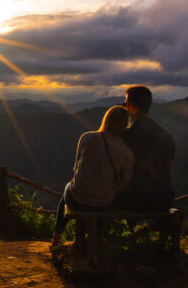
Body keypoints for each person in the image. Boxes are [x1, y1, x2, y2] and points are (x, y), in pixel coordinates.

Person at [51, 105, 134, 247]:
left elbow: (76, 168)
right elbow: (124, 184)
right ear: (126, 125)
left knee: (67, 189)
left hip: (77, 199)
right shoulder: (127, 153)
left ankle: (56, 238)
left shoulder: (87, 138)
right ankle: (97, 239)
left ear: (106, 120)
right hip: (104, 204)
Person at [114, 85, 176, 212]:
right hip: (164, 199)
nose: (124, 106)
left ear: (132, 107)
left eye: (125, 103)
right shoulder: (166, 134)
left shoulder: (126, 135)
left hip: (136, 200)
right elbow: (168, 169)